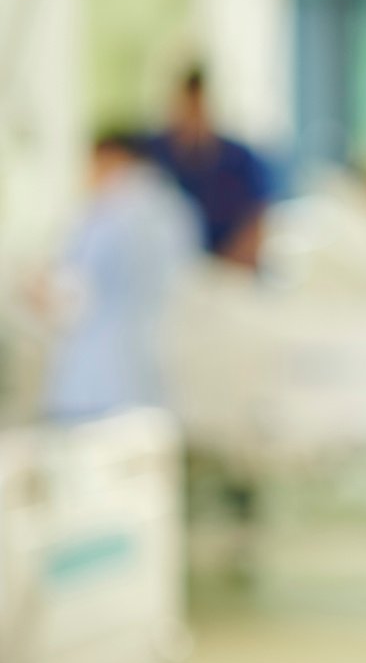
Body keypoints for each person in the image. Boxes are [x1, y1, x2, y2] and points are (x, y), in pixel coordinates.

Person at [41, 132, 201, 423]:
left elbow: (68, 295)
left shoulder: (105, 211)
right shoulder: (175, 210)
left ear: (110, 158)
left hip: (93, 385)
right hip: (153, 380)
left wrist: (34, 288)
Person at [144, 67, 275, 270]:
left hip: (231, 273)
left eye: (198, 110)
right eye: (186, 109)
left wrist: (219, 272)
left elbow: (256, 225)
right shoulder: (152, 156)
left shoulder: (241, 160)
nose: (192, 119)